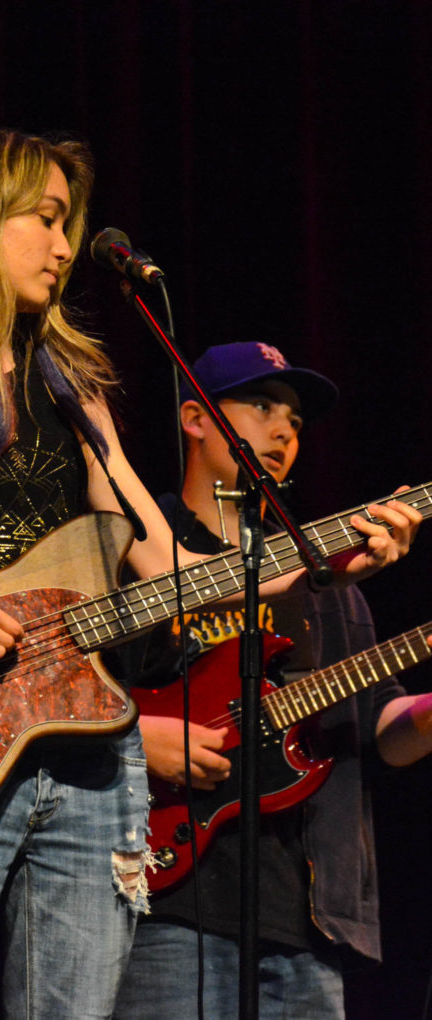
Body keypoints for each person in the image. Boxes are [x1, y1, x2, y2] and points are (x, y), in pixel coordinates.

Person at [0, 126, 418, 1020]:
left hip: (97, 759)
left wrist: (317, 567)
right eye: (44, 220)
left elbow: (165, 564)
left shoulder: (72, 391)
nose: (63, 247)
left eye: (67, 224)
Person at [112, 341, 432, 1020]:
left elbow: (380, 733)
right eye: (261, 406)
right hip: (164, 902)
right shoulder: (131, 552)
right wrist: (136, 738)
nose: (284, 429)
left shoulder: (326, 580)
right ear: (195, 419)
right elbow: (65, 702)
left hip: (308, 922)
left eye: (294, 419)